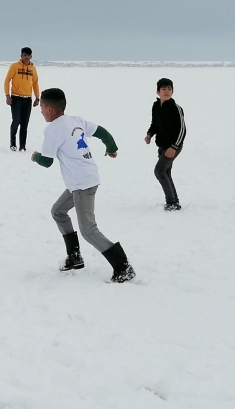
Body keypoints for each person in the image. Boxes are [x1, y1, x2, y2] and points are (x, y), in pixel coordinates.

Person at [30, 88, 135, 282]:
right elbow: (102, 132)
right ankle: (74, 257)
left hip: (82, 184)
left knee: (88, 229)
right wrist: (111, 147)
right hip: (83, 180)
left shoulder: (52, 129)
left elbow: (47, 161)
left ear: (50, 109)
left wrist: (35, 156)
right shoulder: (76, 121)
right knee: (58, 212)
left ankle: (123, 267)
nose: (41, 111)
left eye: (42, 107)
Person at [145, 78, 186, 211]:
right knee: (166, 172)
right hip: (162, 146)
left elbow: (182, 130)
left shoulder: (176, 108)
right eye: (163, 89)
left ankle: (172, 202)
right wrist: (150, 134)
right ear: (158, 92)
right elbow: (155, 123)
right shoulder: (156, 106)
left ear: (172, 91)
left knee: (159, 171)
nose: (167, 91)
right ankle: (174, 200)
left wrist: (174, 147)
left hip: (174, 146)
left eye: (169, 89)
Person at [4, 47, 40, 151]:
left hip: (27, 99)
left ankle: (22, 146)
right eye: (25, 55)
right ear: (21, 56)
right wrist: (7, 95)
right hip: (16, 98)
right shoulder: (14, 66)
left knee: (25, 123)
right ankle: (13, 144)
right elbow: (7, 80)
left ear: (31, 56)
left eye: (28, 55)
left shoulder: (33, 69)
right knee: (16, 121)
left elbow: (35, 83)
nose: (27, 57)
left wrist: (37, 98)